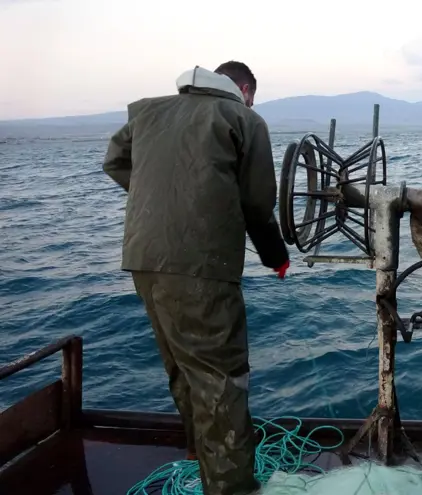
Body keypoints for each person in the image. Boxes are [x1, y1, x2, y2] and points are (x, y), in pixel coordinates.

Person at [102, 61, 290, 495]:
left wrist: (164, 194)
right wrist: (276, 257)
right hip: (202, 262)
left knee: (182, 364)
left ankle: (196, 452)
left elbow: (114, 160)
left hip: (144, 258)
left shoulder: (148, 112)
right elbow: (259, 203)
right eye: (252, 96)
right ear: (243, 89)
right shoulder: (242, 118)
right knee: (221, 378)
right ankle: (231, 488)